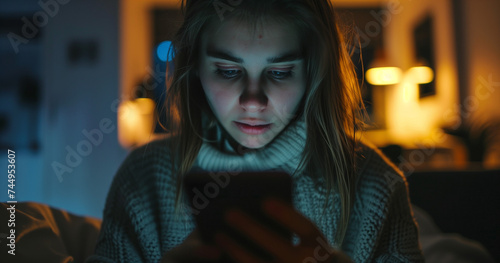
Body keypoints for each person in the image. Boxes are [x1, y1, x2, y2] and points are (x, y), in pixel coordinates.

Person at [87, 0, 424, 262]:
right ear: (195, 70)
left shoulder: (377, 185)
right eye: (227, 70)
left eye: (279, 73)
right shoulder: (142, 179)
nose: (252, 101)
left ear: (314, 73)